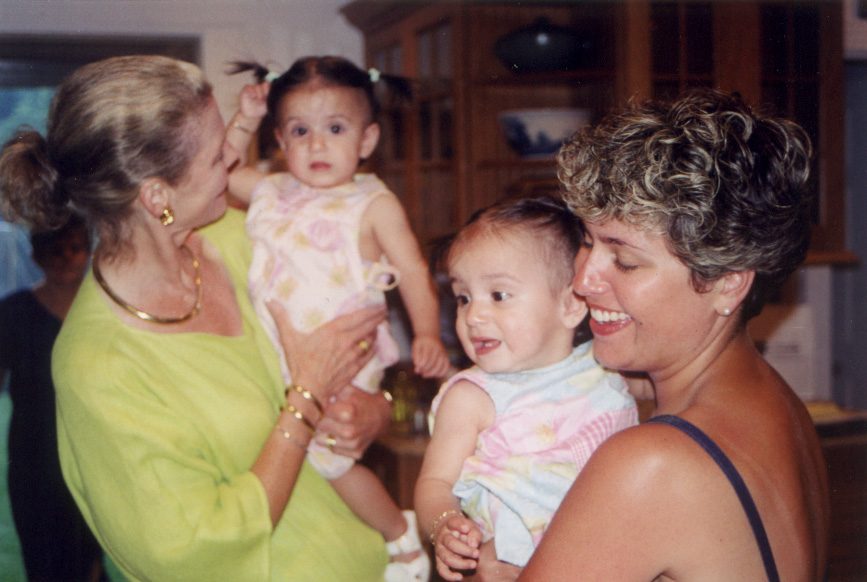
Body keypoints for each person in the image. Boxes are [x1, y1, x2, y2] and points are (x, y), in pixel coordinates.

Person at [0, 54, 396, 582]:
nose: (233, 159)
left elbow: (352, 348)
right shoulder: (97, 363)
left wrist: (373, 411)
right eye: (215, 157)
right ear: (157, 197)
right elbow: (188, 550)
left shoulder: (244, 238)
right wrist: (306, 399)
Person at [473, 89, 830, 581]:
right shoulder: (781, 406)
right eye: (587, 241)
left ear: (727, 283)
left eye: (625, 260)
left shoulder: (651, 464)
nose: (583, 279)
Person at [226, 56, 452, 582]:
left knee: (330, 460)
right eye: (300, 131)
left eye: (335, 129)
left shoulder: (373, 204)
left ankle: (400, 537)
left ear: (367, 139)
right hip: (278, 355)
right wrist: (244, 120)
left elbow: (413, 269)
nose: (317, 146)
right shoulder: (271, 189)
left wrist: (426, 332)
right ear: (279, 139)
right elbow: (224, 171)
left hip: (344, 358)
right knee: (291, 452)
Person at [415, 196, 638, 580]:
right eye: (464, 298)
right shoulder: (472, 397)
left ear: (570, 305)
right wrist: (444, 524)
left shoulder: (605, 367)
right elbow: (435, 481)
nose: (473, 315)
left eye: (498, 295)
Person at [0, 213, 107, 582]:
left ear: (88, 251)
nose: (66, 258)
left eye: (75, 248)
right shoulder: (13, 312)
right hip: (34, 456)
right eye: (54, 250)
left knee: (90, 557)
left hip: (92, 448)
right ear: (36, 257)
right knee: (45, 560)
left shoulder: (104, 309)